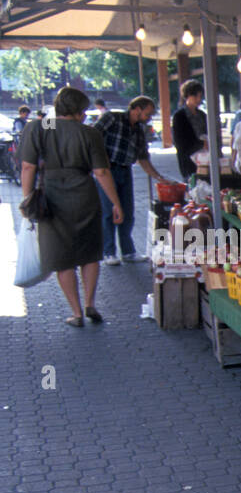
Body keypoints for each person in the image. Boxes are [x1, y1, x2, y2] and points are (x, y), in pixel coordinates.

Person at [19, 86, 124, 327]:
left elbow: (28, 167)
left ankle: (76, 313)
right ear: (79, 110)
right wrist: (116, 202)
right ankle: (90, 304)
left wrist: (28, 200)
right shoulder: (89, 133)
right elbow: (101, 171)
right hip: (85, 195)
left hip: (51, 198)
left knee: (62, 258)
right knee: (90, 253)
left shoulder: (41, 127)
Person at [93, 95, 171, 265]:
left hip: (125, 170)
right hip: (107, 170)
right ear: (137, 109)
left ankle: (128, 251)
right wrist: (101, 157)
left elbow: (143, 158)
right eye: (147, 114)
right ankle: (109, 252)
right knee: (109, 211)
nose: (149, 118)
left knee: (127, 211)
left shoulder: (140, 130)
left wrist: (159, 178)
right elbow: (93, 135)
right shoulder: (112, 118)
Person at [171, 80, 207, 180]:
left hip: (204, 157)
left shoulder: (202, 115)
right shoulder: (179, 116)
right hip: (188, 159)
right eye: (195, 96)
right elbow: (179, 141)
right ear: (187, 95)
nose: (198, 99)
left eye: (200, 96)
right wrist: (200, 143)